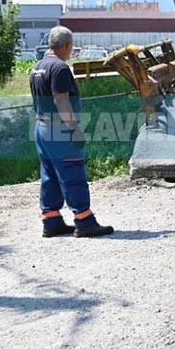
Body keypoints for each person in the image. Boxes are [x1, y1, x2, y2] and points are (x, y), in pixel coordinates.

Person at [30, 26, 114, 238]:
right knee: (73, 173)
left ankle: (51, 221)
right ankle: (85, 221)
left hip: (42, 128)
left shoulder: (38, 67)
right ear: (67, 45)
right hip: (60, 131)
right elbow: (61, 99)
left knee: (50, 175)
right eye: (71, 47)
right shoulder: (60, 68)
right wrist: (74, 128)